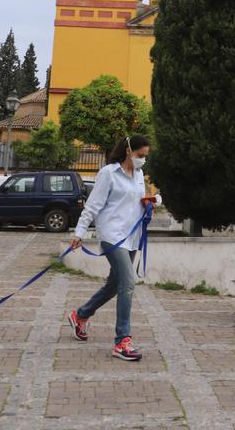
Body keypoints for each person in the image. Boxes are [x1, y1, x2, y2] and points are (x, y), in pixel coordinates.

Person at [66, 134, 158, 361]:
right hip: (112, 236)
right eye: (140, 155)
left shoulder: (138, 176)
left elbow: (138, 201)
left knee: (114, 284)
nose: (142, 160)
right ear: (128, 151)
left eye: (145, 156)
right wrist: (79, 232)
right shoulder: (108, 173)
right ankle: (122, 341)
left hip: (132, 237)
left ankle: (80, 315)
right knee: (128, 282)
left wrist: (151, 201)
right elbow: (92, 205)